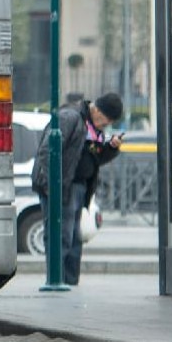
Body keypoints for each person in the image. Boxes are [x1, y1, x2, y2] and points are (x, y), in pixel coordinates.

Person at [34, 91, 125, 285]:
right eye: (106, 121)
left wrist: (111, 148)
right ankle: (57, 281)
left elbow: (94, 159)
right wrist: (54, 185)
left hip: (78, 187)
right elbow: (46, 151)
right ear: (98, 111)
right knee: (62, 237)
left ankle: (69, 282)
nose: (106, 126)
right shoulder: (71, 117)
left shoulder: (93, 127)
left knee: (74, 239)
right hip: (62, 187)